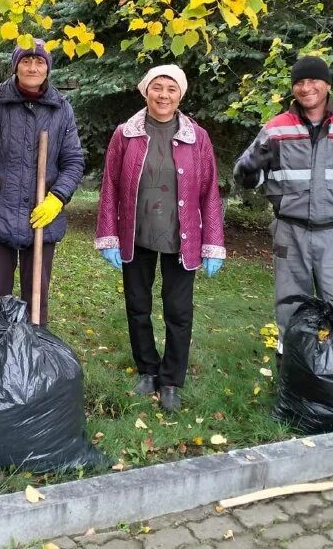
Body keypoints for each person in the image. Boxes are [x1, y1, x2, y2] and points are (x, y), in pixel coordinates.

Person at [233, 55, 333, 365]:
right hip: (290, 234)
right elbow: (250, 177)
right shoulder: (276, 129)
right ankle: (292, 374)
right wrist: (247, 169)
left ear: (327, 85)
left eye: (313, 80)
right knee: (290, 308)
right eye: (299, 82)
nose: (306, 88)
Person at [95, 65, 226, 411]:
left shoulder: (197, 138)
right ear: (145, 91)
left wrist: (213, 243)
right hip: (135, 235)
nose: (163, 95)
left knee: (178, 311)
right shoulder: (125, 135)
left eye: (171, 89)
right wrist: (108, 234)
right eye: (157, 87)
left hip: (181, 238)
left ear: (180, 95)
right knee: (138, 306)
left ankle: (170, 380)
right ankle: (147, 369)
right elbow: (110, 186)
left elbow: (210, 191)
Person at [0, 38, 84, 326]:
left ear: (47, 68)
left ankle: (33, 347)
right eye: (26, 60)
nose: (32, 67)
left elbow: (74, 161)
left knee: (36, 299)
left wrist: (57, 198)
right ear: (16, 66)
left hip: (41, 215)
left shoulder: (61, 109)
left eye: (39, 62)